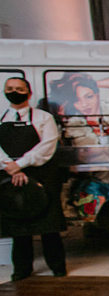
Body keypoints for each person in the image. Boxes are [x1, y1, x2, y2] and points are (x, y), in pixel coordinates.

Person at [1, 76, 66, 280]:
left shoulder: (43, 118)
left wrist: (19, 164)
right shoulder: (1, 117)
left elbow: (47, 147)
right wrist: (10, 167)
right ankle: (21, 270)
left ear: (28, 93)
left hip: (42, 175)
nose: (14, 92)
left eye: (19, 89)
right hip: (9, 178)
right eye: (10, 88)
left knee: (49, 227)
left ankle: (58, 268)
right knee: (19, 227)